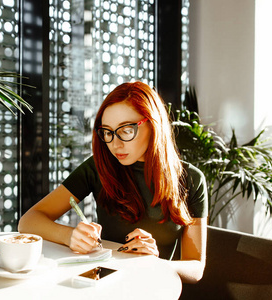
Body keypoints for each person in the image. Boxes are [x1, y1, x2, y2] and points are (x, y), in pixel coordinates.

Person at [18, 81, 208, 283]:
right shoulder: (99, 167)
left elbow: (195, 268)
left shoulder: (190, 179)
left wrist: (156, 262)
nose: (115, 144)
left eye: (126, 130)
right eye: (108, 132)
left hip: (155, 287)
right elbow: (28, 221)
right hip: (103, 285)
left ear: (153, 125)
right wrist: (69, 236)